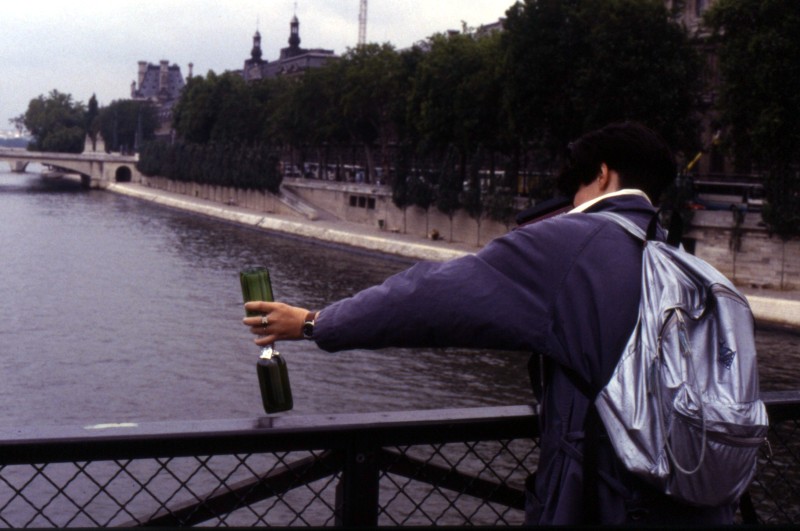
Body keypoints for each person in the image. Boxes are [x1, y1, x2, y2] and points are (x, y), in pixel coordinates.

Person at [242, 122, 736, 525]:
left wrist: (315, 323)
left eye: (577, 187)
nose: (571, 202)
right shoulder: (681, 260)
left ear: (603, 175)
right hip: (700, 500)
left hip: (608, 501)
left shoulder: (574, 243)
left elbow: (430, 297)